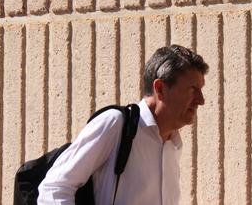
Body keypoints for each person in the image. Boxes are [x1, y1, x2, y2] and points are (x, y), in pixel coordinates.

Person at [38, 44, 209, 204]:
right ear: (160, 89)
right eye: (193, 89)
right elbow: (55, 187)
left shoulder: (174, 144)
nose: (201, 100)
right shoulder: (115, 124)